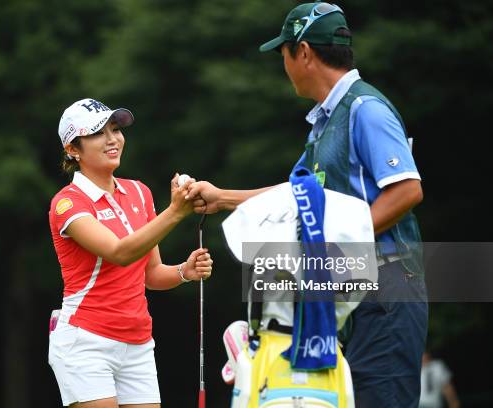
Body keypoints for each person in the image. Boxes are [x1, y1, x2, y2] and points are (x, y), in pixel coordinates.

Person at [186, 2, 427, 407]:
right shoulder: (324, 122)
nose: (284, 65)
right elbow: (292, 198)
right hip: (348, 291)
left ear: (303, 52)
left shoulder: (365, 109)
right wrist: (222, 198)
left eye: (283, 53)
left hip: (387, 287)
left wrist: (339, 249)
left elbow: (407, 190)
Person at [48, 98, 213, 408]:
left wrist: (183, 272)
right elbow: (119, 253)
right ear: (73, 149)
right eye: (98, 133)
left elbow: (151, 274)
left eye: (115, 129)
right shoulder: (67, 203)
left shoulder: (139, 191)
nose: (113, 139)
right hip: (86, 341)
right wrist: (175, 212)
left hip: (137, 343)